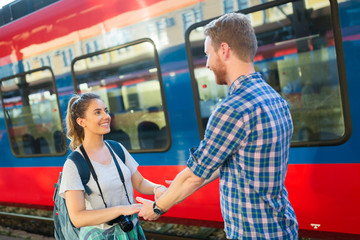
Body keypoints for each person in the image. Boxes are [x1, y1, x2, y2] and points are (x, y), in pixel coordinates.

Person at [137, 13, 298, 239]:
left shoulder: (233, 109)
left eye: (207, 54)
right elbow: (223, 162)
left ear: (224, 50)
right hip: (280, 224)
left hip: (253, 232)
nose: (207, 64)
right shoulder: (274, 98)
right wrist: (182, 184)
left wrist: (156, 207)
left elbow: (194, 177)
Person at [59, 92, 166, 239]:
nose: (106, 116)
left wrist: (157, 188)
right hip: (100, 235)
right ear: (81, 121)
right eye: (97, 112)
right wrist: (121, 210)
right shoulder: (74, 164)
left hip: (131, 230)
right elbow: (78, 218)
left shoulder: (117, 148)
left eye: (106, 111)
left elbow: (139, 182)